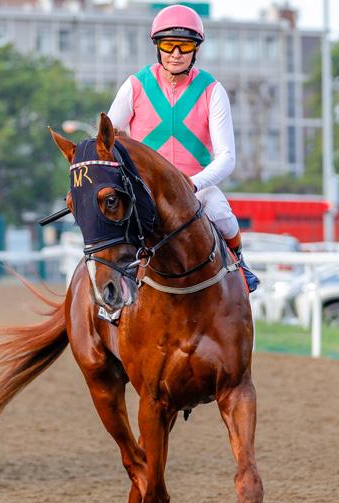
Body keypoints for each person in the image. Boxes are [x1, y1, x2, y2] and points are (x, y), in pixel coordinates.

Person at [107, 4, 259, 292]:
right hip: (144, 191)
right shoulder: (135, 85)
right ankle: (105, 288)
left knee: (221, 212)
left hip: (194, 190)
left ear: (195, 49)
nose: (176, 53)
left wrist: (193, 183)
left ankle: (239, 263)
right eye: (168, 45)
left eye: (184, 46)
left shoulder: (212, 90)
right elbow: (108, 138)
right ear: (158, 46)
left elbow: (226, 157)